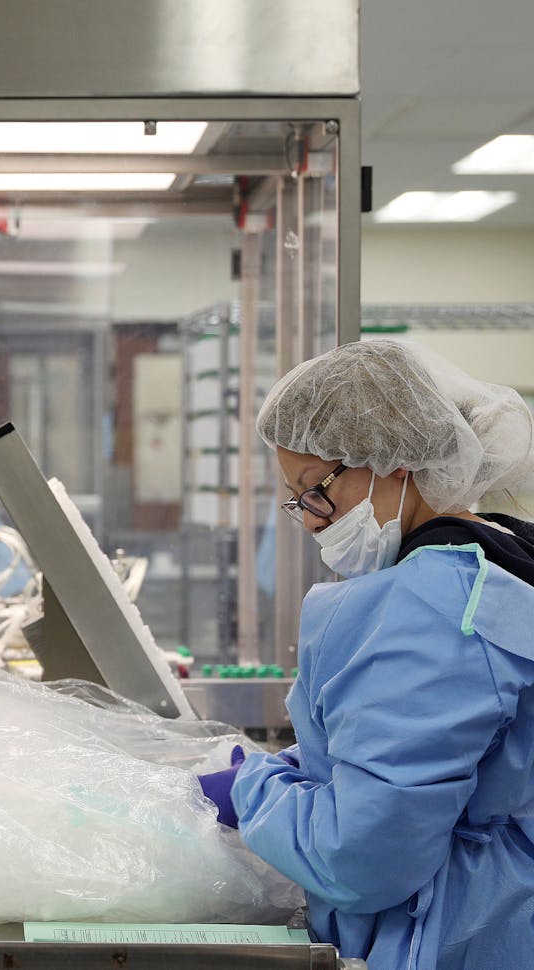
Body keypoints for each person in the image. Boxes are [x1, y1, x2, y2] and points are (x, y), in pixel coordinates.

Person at [197, 339, 534, 970]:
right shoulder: (502, 557)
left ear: (395, 463)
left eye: (315, 489)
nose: (312, 519)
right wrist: (303, 766)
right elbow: (444, 759)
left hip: (464, 935)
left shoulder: (429, 605)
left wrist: (256, 791)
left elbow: (365, 856)